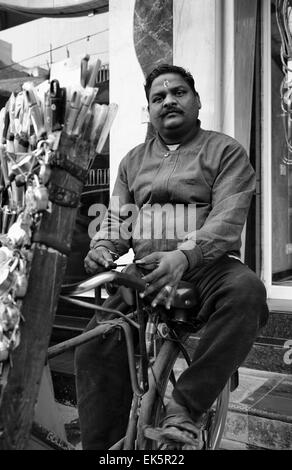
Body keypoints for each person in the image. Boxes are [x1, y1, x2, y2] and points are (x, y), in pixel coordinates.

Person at [75, 64, 269, 450]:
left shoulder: (225, 150)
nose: (168, 101)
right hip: (145, 271)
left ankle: (184, 408)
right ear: (149, 110)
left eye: (178, 92)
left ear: (197, 101)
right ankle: (105, 449)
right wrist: (102, 248)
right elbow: (117, 219)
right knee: (93, 346)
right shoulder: (132, 160)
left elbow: (228, 219)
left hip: (207, 268)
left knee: (248, 293)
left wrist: (185, 256)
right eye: (158, 97)